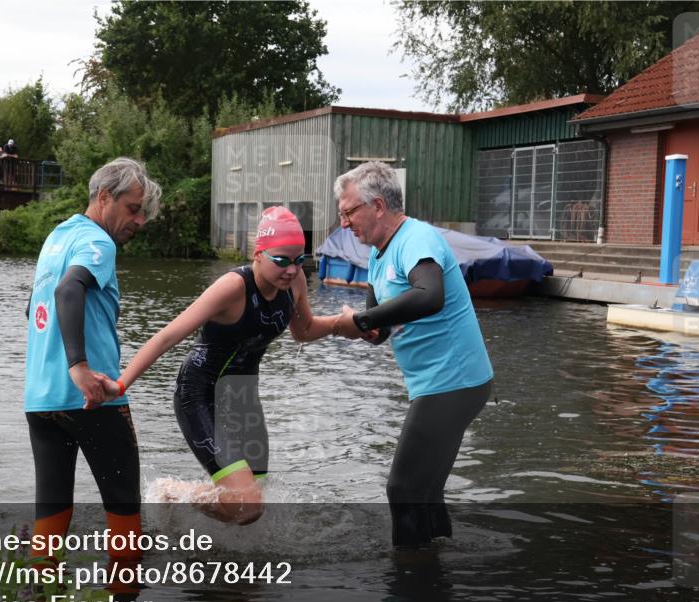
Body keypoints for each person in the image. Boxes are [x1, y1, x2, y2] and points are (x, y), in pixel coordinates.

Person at [96, 206, 337, 525]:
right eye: (281, 260)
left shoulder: (293, 285)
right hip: (200, 397)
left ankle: (227, 560)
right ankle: (172, 492)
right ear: (259, 253)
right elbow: (168, 336)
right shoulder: (233, 287)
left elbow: (304, 330)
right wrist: (121, 384)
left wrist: (348, 323)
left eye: (298, 260)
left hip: (242, 400)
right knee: (247, 507)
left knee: (252, 498)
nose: (292, 270)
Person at [331, 161, 494, 548]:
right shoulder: (376, 254)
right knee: (424, 492)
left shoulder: (416, 238)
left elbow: (429, 296)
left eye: (349, 212)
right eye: (342, 214)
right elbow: (380, 328)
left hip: (455, 381)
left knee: (402, 488)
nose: (344, 224)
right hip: (438, 383)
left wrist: (362, 317)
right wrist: (365, 330)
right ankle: (437, 568)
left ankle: (410, 578)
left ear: (378, 206)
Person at [24, 157, 162, 569]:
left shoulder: (56, 237)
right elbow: (69, 291)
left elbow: (33, 306)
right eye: (133, 209)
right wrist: (79, 367)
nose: (138, 220)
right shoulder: (98, 243)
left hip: (41, 398)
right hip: (94, 397)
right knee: (123, 510)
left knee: (52, 510)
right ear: (104, 197)